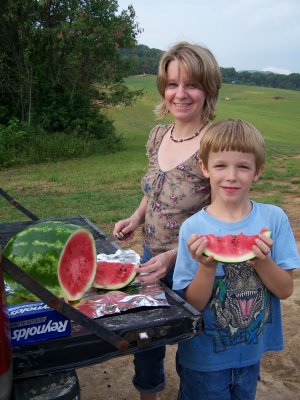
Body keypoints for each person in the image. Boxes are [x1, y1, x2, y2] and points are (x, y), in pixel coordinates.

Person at [113, 41, 222, 400]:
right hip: (149, 257)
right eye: (173, 83)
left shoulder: (216, 144)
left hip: (194, 265)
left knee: (193, 348)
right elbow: (154, 190)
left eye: (191, 84)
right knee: (145, 341)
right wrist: (135, 217)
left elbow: (222, 219)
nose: (180, 93)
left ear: (208, 88)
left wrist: (173, 256)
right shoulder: (159, 135)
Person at [172, 119, 300, 400]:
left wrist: (262, 261)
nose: (231, 176)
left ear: (258, 171)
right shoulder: (193, 229)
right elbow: (192, 304)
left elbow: (285, 290)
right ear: (205, 168)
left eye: (243, 166)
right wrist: (207, 268)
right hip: (203, 359)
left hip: (250, 355)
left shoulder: (273, 219)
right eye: (220, 166)